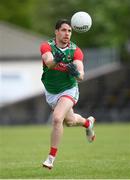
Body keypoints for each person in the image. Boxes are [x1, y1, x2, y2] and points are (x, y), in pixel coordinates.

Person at [40, 19, 96, 169]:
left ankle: (51, 158)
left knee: (57, 119)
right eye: (64, 30)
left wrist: (76, 72)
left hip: (69, 89)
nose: (67, 34)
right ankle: (87, 123)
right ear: (56, 32)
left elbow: (81, 75)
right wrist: (55, 60)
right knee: (70, 121)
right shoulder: (47, 46)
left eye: (69, 31)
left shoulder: (75, 51)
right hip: (51, 91)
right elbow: (49, 61)